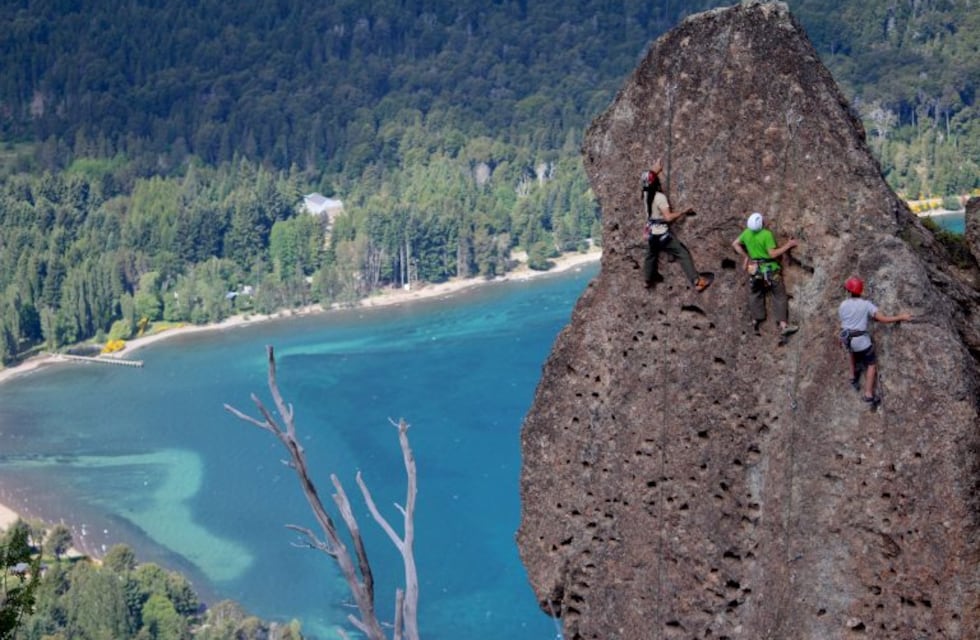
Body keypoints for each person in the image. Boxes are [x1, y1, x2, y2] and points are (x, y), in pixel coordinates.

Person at [838, 276, 912, 407]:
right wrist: (901, 317)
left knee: (851, 351)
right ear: (860, 291)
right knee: (871, 365)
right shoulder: (866, 305)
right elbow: (882, 319)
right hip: (861, 341)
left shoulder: (843, 305)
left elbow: (844, 322)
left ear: (849, 291)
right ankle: (868, 394)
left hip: (846, 338)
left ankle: (852, 376)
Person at [642, 160, 711, 292]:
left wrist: (655, 170)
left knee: (650, 255)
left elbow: (647, 180)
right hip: (662, 235)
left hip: (652, 234)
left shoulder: (646, 194)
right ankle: (697, 281)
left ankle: (647, 280)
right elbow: (668, 217)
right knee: (682, 253)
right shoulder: (659, 197)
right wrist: (683, 212)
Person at [730, 212, 799, 338]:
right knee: (779, 295)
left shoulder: (747, 233)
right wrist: (788, 245)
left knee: (755, 293)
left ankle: (756, 320)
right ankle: (783, 325)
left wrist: (746, 256)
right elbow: (772, 254)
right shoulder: (766, 235)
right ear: (761, 223)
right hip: (770, 269)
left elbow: (735, 244)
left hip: (755, 269)